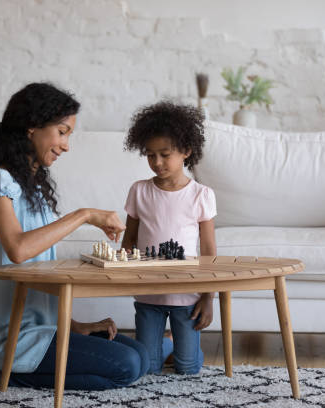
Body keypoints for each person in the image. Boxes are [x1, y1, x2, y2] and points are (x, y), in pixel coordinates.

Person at [0, 82, 149, 390]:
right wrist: (84, 215)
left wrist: (75, 327)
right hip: (3, 335)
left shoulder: (35, 187)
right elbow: (18, 249)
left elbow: (38, 275)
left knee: (140, 355)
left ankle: (14, 367)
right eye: (62, 131)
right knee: (126, 366)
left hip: (39, 330)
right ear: (32, 128)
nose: (66, 145)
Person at [120, 101, 217, 375]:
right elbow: (129, 239)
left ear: (186, 151)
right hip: (148, 293)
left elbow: (209, 248)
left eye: (165, 154)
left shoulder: (201, 195)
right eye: (150, 155)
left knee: (188, 367)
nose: (157, 163)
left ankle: (177, 346)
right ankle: (163, 345)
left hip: (186, 296)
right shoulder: (139, 191)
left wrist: (208, 296)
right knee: (148, 368)